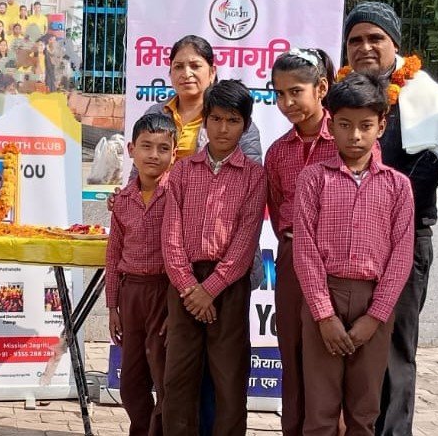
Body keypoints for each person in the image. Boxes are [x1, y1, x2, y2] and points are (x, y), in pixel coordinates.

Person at [339, 2, 438, 435]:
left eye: (376, 38)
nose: (365, 47)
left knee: (393, 350)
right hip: (346, 246)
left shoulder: (419, 93)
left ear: (396, 43)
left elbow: (426, 168)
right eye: (355, 39)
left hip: (402, 243)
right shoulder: (344, 95)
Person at [293, 72, 415, 436]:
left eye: (366, 125)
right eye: (345, 125)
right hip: (323, 298)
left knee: (364, 412)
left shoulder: (398, 186)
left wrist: (375, 317)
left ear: (382, 125)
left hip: (373, 302)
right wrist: (323, 315)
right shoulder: (314, 178)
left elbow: (401, 257)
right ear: (331, 125)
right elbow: (304, 249)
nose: (355, 135)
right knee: (321, 410)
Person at [160, 80, 268, 436]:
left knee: (229, 378)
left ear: (246, 125)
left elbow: (245, 241)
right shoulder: (182, 171)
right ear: (204, 121)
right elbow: (170, 235)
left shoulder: (255, 176)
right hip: (183, 286)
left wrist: (212, 289)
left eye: (233, 120)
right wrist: (191, 287)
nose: (223, 129)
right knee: (177, 377)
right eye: (217, 119)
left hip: (230, 288)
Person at [264, 48, 337, 436]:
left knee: (330, 356)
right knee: (291, 354)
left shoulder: (345, 139)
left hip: (338, 262)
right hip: (292, 258)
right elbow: (277, 212)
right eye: (279, 93)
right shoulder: (277, 153)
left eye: (296, 91)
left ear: (321, 87)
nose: (287, 102)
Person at [106, 113, 178, 436]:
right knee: (131, 382)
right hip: (131, 294)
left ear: (174, 153)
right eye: (146, 146)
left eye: (163, 148)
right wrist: (112, 307)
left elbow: (184, 252)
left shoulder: (179, 194)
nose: (154, 155)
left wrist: (176, 304)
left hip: (165, 292)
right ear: (132, 150)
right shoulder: (122, 201)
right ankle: (141, 427)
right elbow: (113, 256)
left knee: (164, 378)